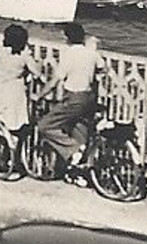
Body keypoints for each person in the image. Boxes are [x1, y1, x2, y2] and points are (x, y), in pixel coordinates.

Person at [35, 22, 102, 177]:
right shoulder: (91, 53)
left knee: (44, 126)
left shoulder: (69, 54)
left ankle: (72, 149)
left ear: (67, 38)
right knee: (79, 129)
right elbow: (103, 68)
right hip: (89, 98)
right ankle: (80, 166)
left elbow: (55, 80)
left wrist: (40, 95)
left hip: (73, 98)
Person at [0, 24, 32, 139]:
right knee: (13, 122)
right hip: (15, 90)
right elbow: (37, 71)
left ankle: (0, 147)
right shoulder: (24, 55)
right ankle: (12, 148)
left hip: (0, 88)